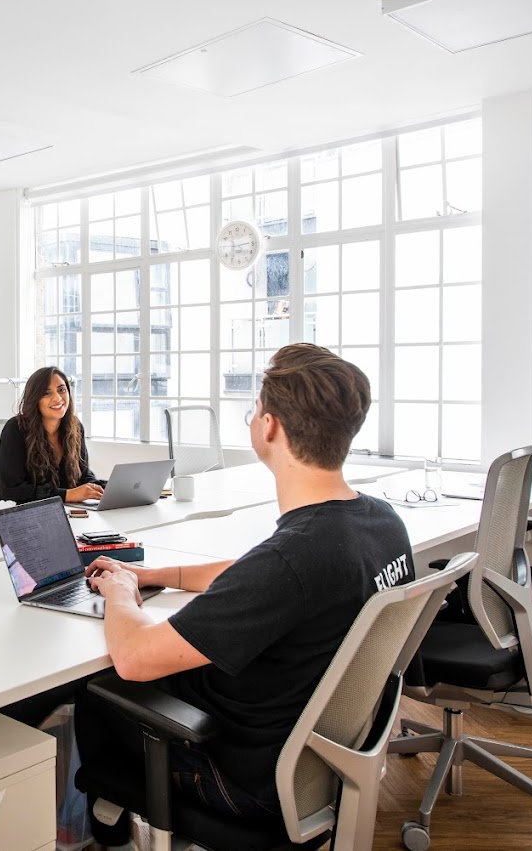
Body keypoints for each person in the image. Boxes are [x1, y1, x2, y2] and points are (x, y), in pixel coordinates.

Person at [75, 343, 414, 846]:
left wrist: (122, 588)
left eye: (253, 409)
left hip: (243, 779)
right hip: (319, 758)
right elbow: (254, 574)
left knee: (89, 691)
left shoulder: (294, 560)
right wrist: (157, 574)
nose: (252, 418)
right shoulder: (379, 523)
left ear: (270, 427)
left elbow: (134, 658)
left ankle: (106, 833)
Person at [0, 366, 104, 504]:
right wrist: (66, 495)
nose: (57, 398)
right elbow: (12, 490)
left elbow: (83, 475)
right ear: (35, 399)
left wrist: (102, 489)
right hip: (10, 513)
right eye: (46, 393)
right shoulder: (16, 428)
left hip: (59, 510)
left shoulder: (75, 427)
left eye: (61, 390)